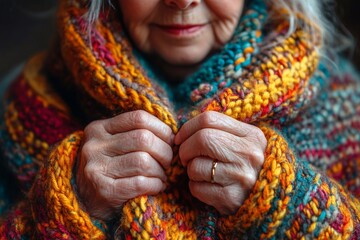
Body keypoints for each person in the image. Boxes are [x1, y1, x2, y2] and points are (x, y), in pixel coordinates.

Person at [0, 0, 359, 238]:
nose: (181, 1)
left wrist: (289, 203)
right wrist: (69, 208)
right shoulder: (21, 107)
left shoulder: (344, 105)